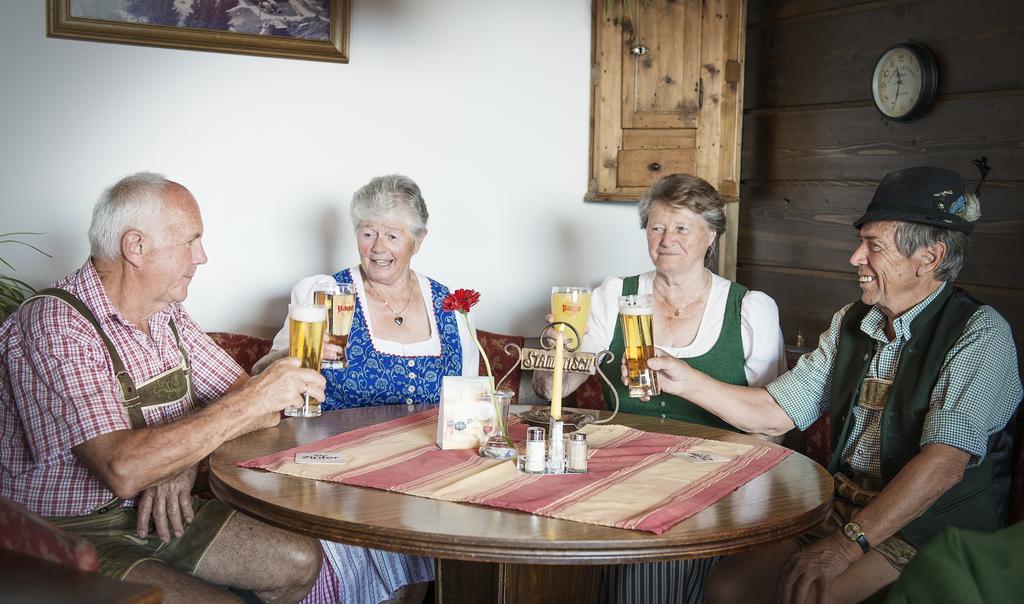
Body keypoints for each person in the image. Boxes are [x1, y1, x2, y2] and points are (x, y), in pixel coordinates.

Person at [644, 165, 1022, 603]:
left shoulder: (980, 333)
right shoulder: (852, 321)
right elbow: (775, 411)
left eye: (873, 245)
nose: (855, 257)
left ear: (929, 258)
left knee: (810, 595)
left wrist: (845, 547)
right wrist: (685, 379)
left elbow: (943, 466)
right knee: (728, 588)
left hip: (929, 527)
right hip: (845, 510)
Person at [0, 172, 325, 602]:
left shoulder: (165, 312)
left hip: (151, 513)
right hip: (57, 532)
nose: (202, 256)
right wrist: (249, 401)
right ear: (135, 247)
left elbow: (259, 407)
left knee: (301, 561)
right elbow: (124, 469)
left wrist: (178, 462)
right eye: (190, 240)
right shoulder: (55, 324)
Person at [533, 173, 787, 603]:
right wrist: (558, 352)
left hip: (710, 473)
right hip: (616, 464)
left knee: (658, 545)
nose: (667, 239)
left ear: (712, 235)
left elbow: (773, 427)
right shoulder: (614, 296)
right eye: (656, 227)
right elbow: (547, 390)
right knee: (545, 523)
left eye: (682, 227)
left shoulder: (749, 308)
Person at [254, 174, 479, 603]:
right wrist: (294, 360)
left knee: (440, 529)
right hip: (337, 473)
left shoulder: (448, 304)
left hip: (424, 475)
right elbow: (268, 379)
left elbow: (467, 397)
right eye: (367, 232)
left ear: (419, 240)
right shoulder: (324, 293)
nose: (378, 248)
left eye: (392, 235)